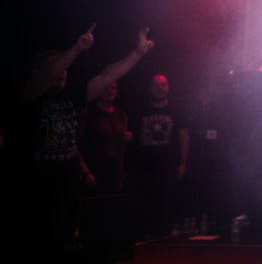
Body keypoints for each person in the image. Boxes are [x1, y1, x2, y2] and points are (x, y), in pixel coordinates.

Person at [3, 24, 154, 258]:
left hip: (66, 186)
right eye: (57, 66)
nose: (63, 71)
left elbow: (107, 75)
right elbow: (47, 76)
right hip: (33, 188)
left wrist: (138, 53)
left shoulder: (72, 95)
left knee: (67, 245)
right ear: (38, 72)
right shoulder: (27, 95)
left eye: (65, 67)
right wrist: (75, 50)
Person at [126, 73, 191, 240]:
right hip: (144, 165)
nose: (160, 88)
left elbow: (184, 136)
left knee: (165, 201)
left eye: (163, 85)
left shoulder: (176, 109)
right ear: (149, 88)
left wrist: (183, 162)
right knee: (145, 202)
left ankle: (163, 235)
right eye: (156, 85)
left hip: (167, 165)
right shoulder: (140, 110)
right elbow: (131, 133)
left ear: (168, 88)